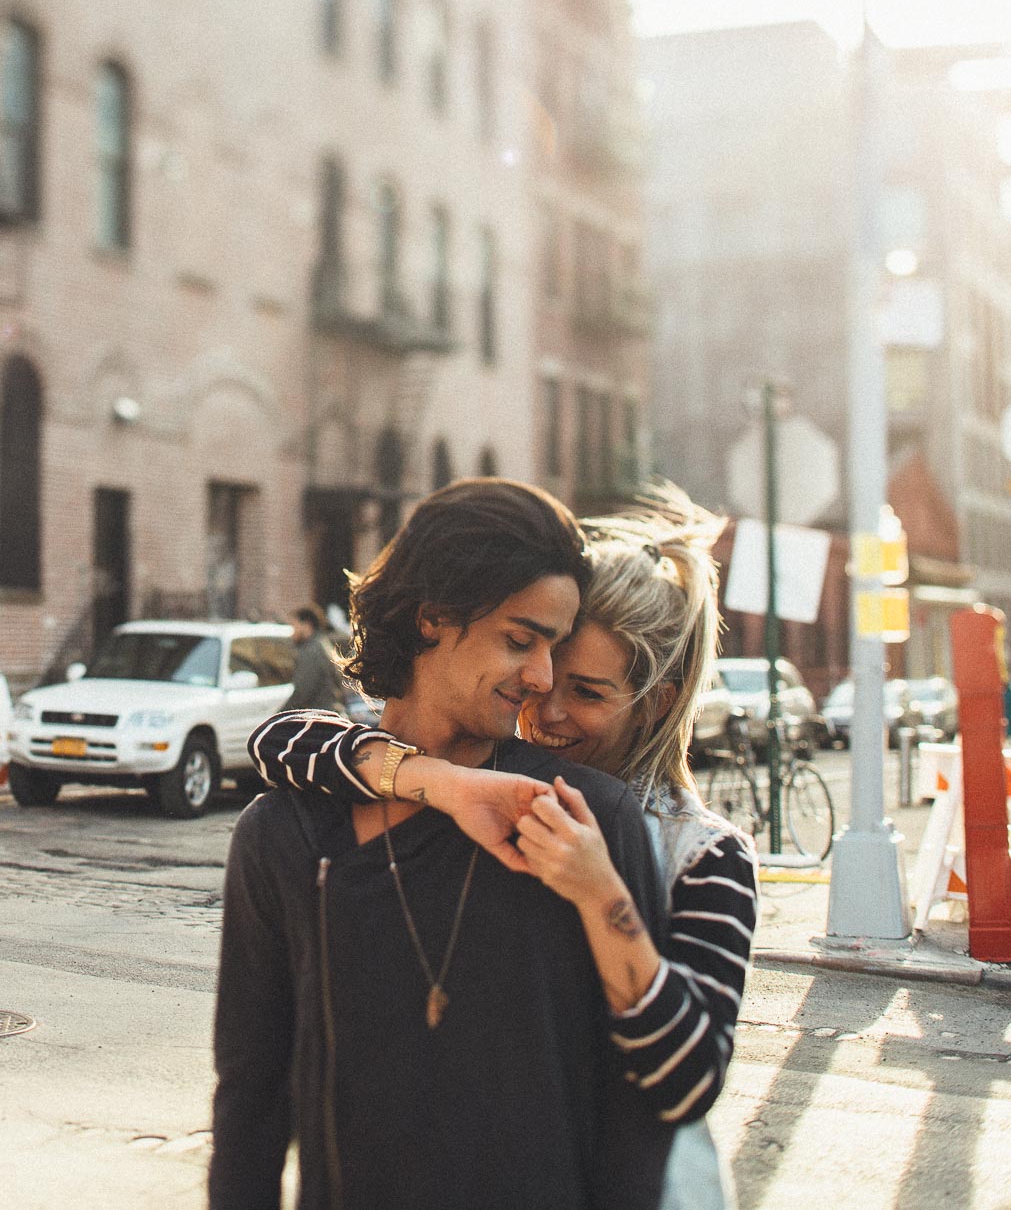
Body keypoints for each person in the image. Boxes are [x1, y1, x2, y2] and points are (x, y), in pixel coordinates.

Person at [249, 494, 756, 1210]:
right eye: (530, 650)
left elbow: (689, 1080)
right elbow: (279, 742)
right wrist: (436, 780)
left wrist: (600, 890)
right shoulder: (486, 793)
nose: (544, 698)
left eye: (585, 690)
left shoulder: (700, 854)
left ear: (654, 702)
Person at [282, 604, 346, 712]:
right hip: (331, 713)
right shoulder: (322, 644)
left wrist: (279, 715)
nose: (292, 632)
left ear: (306, 625)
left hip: (320, 717)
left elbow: (302, 692)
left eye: (294, 625)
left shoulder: (311, 651)